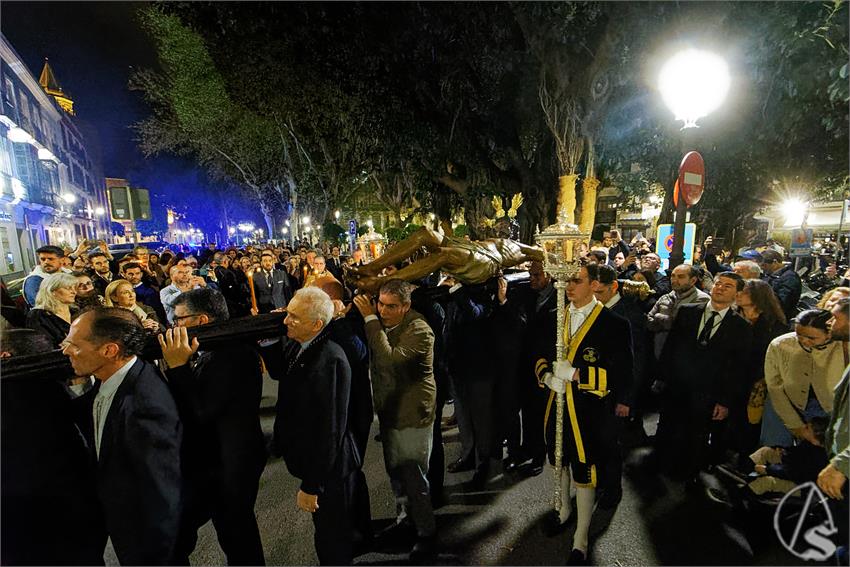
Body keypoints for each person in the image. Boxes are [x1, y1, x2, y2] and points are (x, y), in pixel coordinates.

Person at [61, 308, 183, 565]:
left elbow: (162, 491)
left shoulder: (144, 405)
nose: (65, 351)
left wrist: (157, 555)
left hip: (149, 545)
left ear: (109, 350)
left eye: (73, 344)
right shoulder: (110, 379)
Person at [533, 263, 633, 564]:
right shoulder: (554, 316)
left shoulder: (614, 324)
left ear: (594, 285)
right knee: (559, 461)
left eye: (576, 280)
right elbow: (537, 354)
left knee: (585, 472)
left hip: (590, 413)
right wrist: (548, 377)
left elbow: (622, 374)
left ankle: (582, 538)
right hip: (556, 406)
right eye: (564, 281)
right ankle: (563, 511)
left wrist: (577, 374)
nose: (569, 286)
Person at [159, 289, 267, 565]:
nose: (175, 326)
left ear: (202, 320)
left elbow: (202, 411)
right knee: (232, 531)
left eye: (180, 319)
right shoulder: (218, 350)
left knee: (236, 531)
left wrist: (178, 367)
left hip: (232, 462)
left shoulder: (231, 356)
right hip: (221, 459)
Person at [271, 287, 360, 565]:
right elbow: (282, 371)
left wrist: (313, 485)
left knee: (332, 538)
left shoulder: (329, 359)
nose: (286, 321)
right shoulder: (306, 345)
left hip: (330, 471)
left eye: (294, 317)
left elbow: (329, 429)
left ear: (316, 324)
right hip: (320, 466)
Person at [1, 329, 104, 565]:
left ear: (5, 356)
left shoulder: (26, 392)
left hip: (18, 524)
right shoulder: (48, 387)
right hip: (74, 510)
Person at [353, 281, 438, 560]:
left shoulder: (419, 330)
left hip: (412, 414)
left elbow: (389, 360)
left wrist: (369, 319)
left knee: (414, 478)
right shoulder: (386, 323)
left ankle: (426, 534)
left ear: (406, 306)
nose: (383, 310)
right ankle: (405, 521)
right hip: (391, 412)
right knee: (397, 476)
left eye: (391, 306)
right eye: (380, 304)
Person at [655, 272, 752, 483]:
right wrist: (662, 377)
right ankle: (660, 468)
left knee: (697, 435)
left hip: (709, 391)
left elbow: (738, 368)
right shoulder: (688, 312)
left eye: (727, 286)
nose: (720, 288)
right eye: (718, 283)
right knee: (668, 427)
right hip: (678, 385)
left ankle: (689, 475)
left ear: (737, 294)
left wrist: (725, 401)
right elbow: (671, 347)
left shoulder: (741, 327)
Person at [347, 225, 544, 292]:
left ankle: (380, 282)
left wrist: (548, 253)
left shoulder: (525, 249)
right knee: (425, 233)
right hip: (473, 248)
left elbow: (544, 256)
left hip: (486, 263)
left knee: (445, 255)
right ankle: (372, 267)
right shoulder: (502, 238)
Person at [762, 307, 847, 448]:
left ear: (829, 333)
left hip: (833, 410)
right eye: (799, 335)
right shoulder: (779, 345)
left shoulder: (843, 346)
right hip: (791, 405)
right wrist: (796, 426)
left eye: (811, 338)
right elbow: (774, 386)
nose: (804, 341)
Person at [646, 264, 710, 363]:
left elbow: (685, 328)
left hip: (683, 356)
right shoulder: (665, 297)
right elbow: (649, 321)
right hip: (659, 350)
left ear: (693, 280)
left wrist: (659, 317)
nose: (674, 280)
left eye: (680, 277)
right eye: (673, 276)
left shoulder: (702, 299)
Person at [26, 272, 78, 347]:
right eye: (68, 288)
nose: (74, 292)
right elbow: (40, 346)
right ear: (52, 291)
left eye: (74, 288)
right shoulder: (37, 315)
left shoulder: (76, 311)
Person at [761, 249, 803, 322]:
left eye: (764, 265)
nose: (762, 268)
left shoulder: (790, 277)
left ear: (775, 262)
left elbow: (784, 301)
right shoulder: (769, 275)